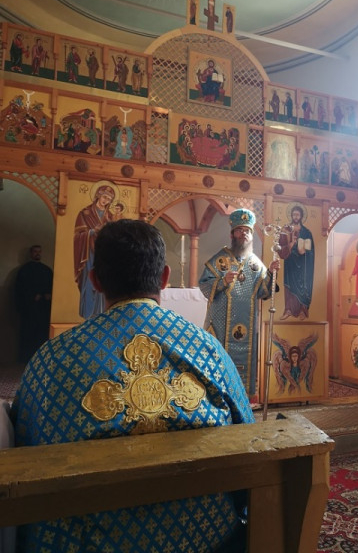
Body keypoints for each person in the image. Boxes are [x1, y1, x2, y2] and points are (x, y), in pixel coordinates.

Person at [12, 219, 253, 553]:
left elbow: (22, 446)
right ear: (165, 277)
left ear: (95, 280)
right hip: (208, 539)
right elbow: (247, 439)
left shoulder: (50, 360)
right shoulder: (209, 350)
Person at [199, 208, 279, 398]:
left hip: (247, 325)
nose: (244, 234)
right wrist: (222, 281)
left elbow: (264, 291)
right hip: (220, 322)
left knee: (244, 366)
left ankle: (242, 398)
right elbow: (204, 285)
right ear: (232, 234)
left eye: (247, 231)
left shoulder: (255, 263)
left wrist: (271, 273)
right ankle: (216, 397)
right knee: (218, 362)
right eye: (240, 230)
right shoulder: (220, 259)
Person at [73, 184, 115, 319]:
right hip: (88, 252)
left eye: (109, 199)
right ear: (98, 195)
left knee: (101, 281)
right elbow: (78, 235)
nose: (105, 201)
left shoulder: (109, 216)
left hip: (103, 253)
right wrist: (92, 231)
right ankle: (87, 313)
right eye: (104, 197)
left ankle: (100, 313)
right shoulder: (85, 213)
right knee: (89, 280)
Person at [14, 245, 53, 363]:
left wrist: (48, 295)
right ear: (31, 253)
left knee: (42, 336)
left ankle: (41, 360)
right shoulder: (24, 270)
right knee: (28, 335)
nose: (37, 254)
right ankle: (26, 360)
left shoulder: (47, 270)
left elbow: (52, 287)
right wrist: (32, 297)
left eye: (39, 252)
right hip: (29, 311)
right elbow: (20, 290)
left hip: (44, 310)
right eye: (35, 251)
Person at [279, 205, 315, 321]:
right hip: (290, 261)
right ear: (291, 215)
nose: (296, 217)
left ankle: (302, 310)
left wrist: (305, 252)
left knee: (303, 285)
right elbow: (280, 248)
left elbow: (311, 251)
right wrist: (290, 245)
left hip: (303, 264)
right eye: (294, 214)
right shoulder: (285, 230)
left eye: (298, 215)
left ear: (301, 216)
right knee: (290, 286)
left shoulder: (306, 232)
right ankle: (288, 310)